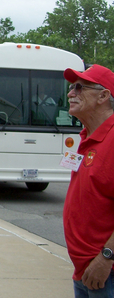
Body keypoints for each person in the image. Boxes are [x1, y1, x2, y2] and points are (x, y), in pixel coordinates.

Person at [62, 64, 114, 297]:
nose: (71, 93)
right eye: (72, 87)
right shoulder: (86, 136)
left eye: (80, 87)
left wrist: (106, 258)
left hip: (105, 272)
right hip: (84, 270)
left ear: (103, 96)